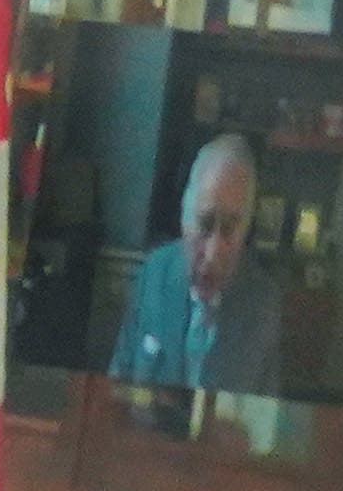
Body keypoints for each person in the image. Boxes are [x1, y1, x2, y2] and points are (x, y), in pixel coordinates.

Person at [111, 131, 290, 398]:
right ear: (185, 217)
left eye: (229, 230)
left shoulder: (263, 305)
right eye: (205, 225)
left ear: (246, 231)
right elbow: (117, 384)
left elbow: (263, 419)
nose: (213, 251)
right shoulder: (154, 274)